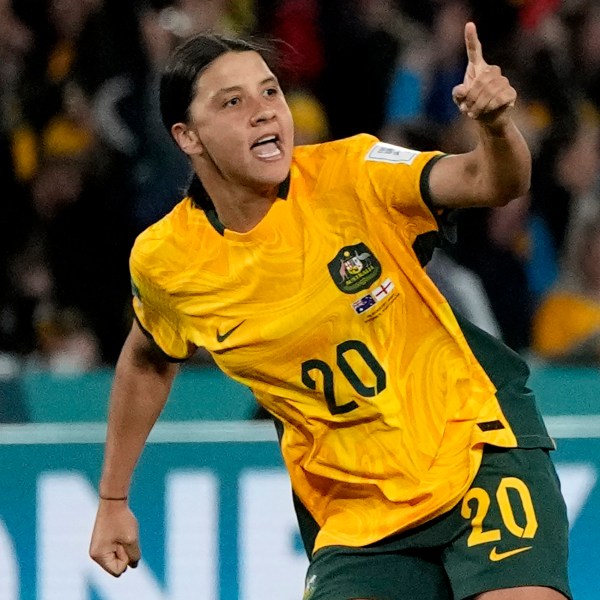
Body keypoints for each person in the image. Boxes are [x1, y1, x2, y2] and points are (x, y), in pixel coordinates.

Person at [89, 23, 571, 600]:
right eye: (233, 102)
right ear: (187, 136)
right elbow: (148, 360)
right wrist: (113, 500)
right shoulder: (167, 260)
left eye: (271, 92)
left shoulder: (353, 171)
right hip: (355, 510)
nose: (265, 112)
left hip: (476, 446)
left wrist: (494, 125)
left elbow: (490, 179)